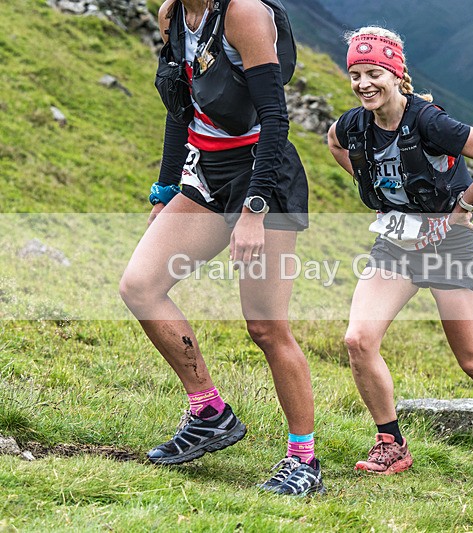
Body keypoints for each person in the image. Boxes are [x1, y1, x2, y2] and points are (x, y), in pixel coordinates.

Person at [119, 0, 324, 496]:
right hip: (205, 173)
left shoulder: (244, 13)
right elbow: (179, 110)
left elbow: (277, 118)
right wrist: (165, 192)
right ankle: (208, 412)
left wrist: (255, 210)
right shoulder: (172, 16)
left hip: (262, 174)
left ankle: (305, 460)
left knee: (267, 327)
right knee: (140, 287)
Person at [327, 26, 473, 494]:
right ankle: (391, 444)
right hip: (396, 243)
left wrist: (463, 208)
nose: (364, 83)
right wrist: (379, 192)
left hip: (448, 246)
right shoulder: (353, 124)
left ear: (396, 74)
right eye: (356, 74)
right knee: (358, 340)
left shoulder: (429, 122)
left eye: (374, 73)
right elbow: (335, 143)